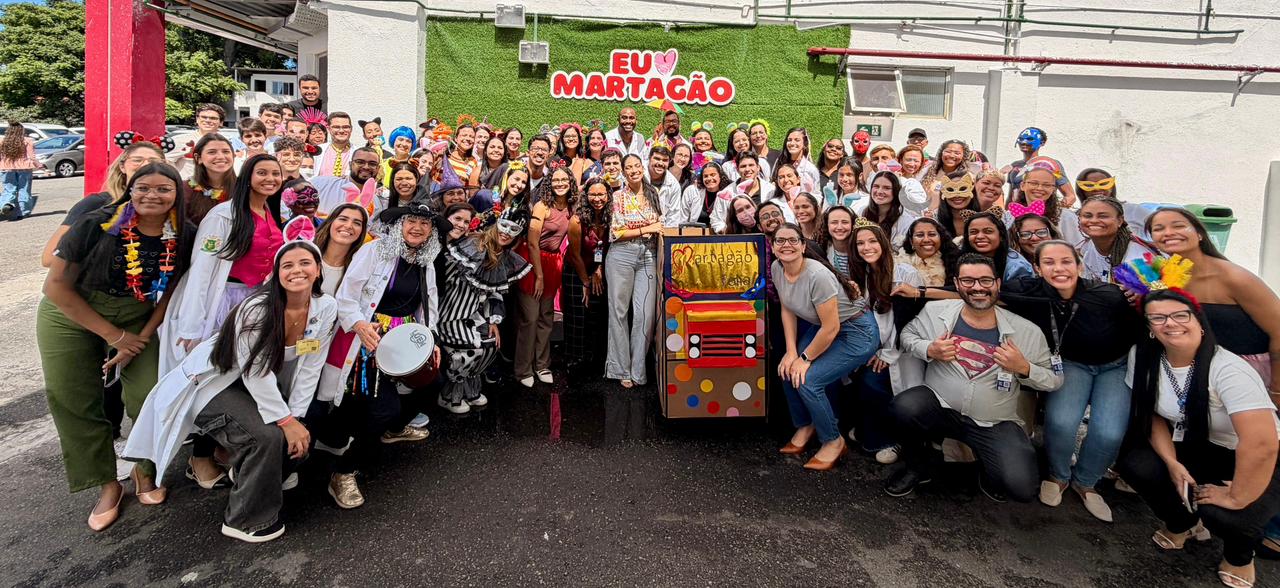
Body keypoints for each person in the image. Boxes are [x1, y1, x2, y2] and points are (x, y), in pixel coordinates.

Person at [124, 240, 335, 543]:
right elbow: (255, 371)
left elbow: (311, 366)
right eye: (287, 265)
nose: (297, 270)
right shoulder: (257, 309)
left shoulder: (326, 307)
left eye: (305, 263)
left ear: (317, 270)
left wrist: (297, 418)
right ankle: (244, 520)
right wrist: (286, 422)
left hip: (252, 386)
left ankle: (256, 476)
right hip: (212, 385)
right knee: (267, 435)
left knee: (304, 426)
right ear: (276, 274)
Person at [38, 162, 194, 531]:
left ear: (177, 194)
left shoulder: (184, 233)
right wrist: (115, 338)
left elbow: (170, 292)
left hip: (138, 317)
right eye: (144, 188)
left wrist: (139, 338)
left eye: (163, 189)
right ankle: (107, 484)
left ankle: (145, 470)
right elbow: (55, 286)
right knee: (73, 398)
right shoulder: (97, 223)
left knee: (150, 395)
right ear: (130, 188)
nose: (152, 196)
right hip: (72, 312)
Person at [1117, 289, 1280, 588]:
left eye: (1181, 315)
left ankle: (1240, 555)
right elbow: (1153, 415)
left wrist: (1238, 494)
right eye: (1158, 317)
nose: (1170, 323)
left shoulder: (1228, 369)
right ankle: (1184, 523)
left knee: (1227, 514)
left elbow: (1261, 445)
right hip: (1195, 444)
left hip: (1255, 454)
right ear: (1150, 328)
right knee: (1138, 464)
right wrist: (1170, 463)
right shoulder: (1142, 356)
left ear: (1199, 321)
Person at [886, 253, 1062, 501]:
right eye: (968, 281)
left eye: (985, 281)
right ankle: (917, 467)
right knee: (903, 407)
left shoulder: (1026, 331)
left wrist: (1024, 368)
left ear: (998, 284)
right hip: (941, 406)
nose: (977, 287)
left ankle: (987, 470)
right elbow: (908, 336)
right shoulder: (936, 311)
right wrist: (929, 349)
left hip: (994, 421)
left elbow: (1054, 380)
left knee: (1021, 487)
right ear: (957, 285)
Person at [1001, 240, 1142, 521]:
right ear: (1037, 269)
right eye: (1049, 263)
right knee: (1061, 422)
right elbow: (976, 291)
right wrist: (918, 291)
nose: (1059, 268)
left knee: (1109, 431)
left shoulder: (1110, 295)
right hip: (1070, 363)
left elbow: (1145, 321)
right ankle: (1058, 475)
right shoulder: (1028, 291)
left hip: (1114, 366)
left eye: (1066, 261)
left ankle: (1086, 481)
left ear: (1079, 266)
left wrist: (1141, 294)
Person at [323, 202, 440, 507]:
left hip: (404, 340)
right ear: (399, 225)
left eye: (425, 224)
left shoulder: (424, 260)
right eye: (411, 221)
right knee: (382, 407)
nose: (417, 227)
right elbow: (346, 296)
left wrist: (432, 340)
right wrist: (360, 324)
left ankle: (389, 431)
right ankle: (343, 472)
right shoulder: (374, 251)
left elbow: (428, 303)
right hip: (368, 340)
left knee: (432, 384)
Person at [160, 154, 285, 376]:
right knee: (209, 368)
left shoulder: (268, 212)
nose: (270, 179)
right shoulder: (223, 215)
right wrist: (192, 325)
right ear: (247, 177)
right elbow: (202, 269)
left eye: (276, 174)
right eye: (262, 173)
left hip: (254, 302)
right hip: (222, 301)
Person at [773, 223, 878, 470]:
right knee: (787, 369)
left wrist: (805, 358)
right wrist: (791, 352)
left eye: (792, 240)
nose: (786, 245)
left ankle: (833, 440)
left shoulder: (817, 275)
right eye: (780, 240)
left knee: (809, 380)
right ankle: (806, 423)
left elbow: (832, 328)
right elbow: (787, 307)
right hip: (822, 328)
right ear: (773, 245)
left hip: (855, 331)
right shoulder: (778, 267)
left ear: (802, 245)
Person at [1146, 208, 1280, 392]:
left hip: (1252, 376)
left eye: (1178, 226)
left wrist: (1277, 389)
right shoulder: (1162, 276)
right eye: (1159, 228)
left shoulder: (1234, 277)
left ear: (1200, 234)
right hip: (1201, 374)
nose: (1168, 233)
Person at [438, 211, 531, 412]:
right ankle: (449, 394)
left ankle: (469, 388)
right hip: (450, 313)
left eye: (514, 230)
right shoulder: (473, 245)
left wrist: (493, 320)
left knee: (490, 346)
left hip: (474, 313)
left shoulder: (504, 256)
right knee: (472, 349)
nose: (507, 233)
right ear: (496, 224)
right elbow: (440, 277)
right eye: (504, 226)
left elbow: (495, 292)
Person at [848, 222, 923, 464]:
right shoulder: (864, 275)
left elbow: (908, 320)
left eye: (872, 241)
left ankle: (892, 441)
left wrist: (887, 353)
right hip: (875, 348)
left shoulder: (904, 274)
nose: (866, 247)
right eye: (860, 243)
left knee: (874, 383)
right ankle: (871, 433)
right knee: (859, 383)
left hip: (901, 351)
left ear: (882, 242)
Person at [42, 138, 166, 268]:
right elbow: (50, 258)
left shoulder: (170, 207)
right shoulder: (96, 204)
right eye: (137, 160)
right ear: (122, 166)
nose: (145, 165)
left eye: (153, 161)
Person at [605, 154, 663, 388]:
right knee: (619, 312)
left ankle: (638, 369)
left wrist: (649, 230)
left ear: (643, 167)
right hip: (622, 254)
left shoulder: (653, 194)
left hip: (649, 255)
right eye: (628, 167)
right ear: (623, 171)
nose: (633, 170)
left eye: (636, 166)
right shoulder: (617, 196)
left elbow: (661, 225)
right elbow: (616, 232)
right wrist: (646, 228)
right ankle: (620, 369)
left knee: (645, 314)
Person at [514, 166, 574, 387]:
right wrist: (538, 274)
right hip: (533, 260)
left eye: (564, 180)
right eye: (556, 180)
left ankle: (542, 365)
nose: (560, 184)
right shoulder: (542, 206)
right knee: (530, 317)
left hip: (553, 263)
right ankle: (523, 369)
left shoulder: (570, 207)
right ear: (550, 183)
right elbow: (531, 241)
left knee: (546, 316)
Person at [563, 177, 611, 374]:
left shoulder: (611, 217)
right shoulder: (576, 220)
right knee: (578, 314)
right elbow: (574, 254)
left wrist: (599, 269)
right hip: (576, 270)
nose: (597, 198)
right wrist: (585, 281)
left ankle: (596, 358)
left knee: (598, 315)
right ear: (586, 196)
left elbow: (607, 247)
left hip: (599, 269)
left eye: (601, 194)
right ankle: (575, 360)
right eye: (593, 194)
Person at [1075, 197, 1159, 283]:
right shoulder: (1090, 247)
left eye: (1103, 216)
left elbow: (1156, 290)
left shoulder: (1139, 260)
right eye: (1087, 216)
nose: (1094, 220)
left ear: (1119, 221)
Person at [1004, 127, 1075, 207]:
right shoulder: (1015, 165)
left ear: (1042, 143)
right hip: (1017, 215)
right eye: (1021, 139)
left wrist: (1054, 214)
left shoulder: (1050, 164)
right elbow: (1011, 197)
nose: (1024, 142)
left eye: (1030, 139)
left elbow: (1070, 196)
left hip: (1043, 216)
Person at [958, 212, 1033, 281]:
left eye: (988, 231)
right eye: (973, 232)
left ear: (1001, 236)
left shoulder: (1017, 267)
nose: (980, 236)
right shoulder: (959, 259)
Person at [1075, 168, 1150, 237]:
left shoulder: (1133, 210)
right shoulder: (1074, 217)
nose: (1097, 189)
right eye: (1089, 185)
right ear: (1081, 191)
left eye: (1104, 184)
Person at [314, 203, 369, 297]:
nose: (348, 226)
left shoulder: (361, 268)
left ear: (362, 231)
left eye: (357, 223)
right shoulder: (306, 254)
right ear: (330, 222)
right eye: (343, 219)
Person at [183, 133, 238, 225]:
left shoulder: (245, 187)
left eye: (226, 151)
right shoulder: (185, 189)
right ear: (198, 158)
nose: (220, 157)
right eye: (212, 152)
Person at [312, 146, 382, 215]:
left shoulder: (376, 203)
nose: (366, 167)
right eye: (360, 162)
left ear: (378, 168)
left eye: (372, 164)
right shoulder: (322, 184)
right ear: (350, 164)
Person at [861, 171, 919, 252]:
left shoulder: (906, 222)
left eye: (886, 188)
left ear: (896, 191)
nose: (880, 191)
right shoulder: (862, 213)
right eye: (876, 186)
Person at [895, 217, 959, 289]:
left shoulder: (953, 259)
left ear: (941, 238)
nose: (926, 240)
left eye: (932, 234)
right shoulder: (899, 263)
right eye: (920, 235)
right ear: (911, 241)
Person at [170, 104, 227, 179]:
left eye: (213, 118)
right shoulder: (179, 140)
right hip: (188, 188)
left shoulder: (227, 142)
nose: (208, 120)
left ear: (221, 122)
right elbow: (167, 162)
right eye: (204, 117)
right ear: (197, 119)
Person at [0, 122, 41, 220]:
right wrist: (39, 165)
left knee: (9, 189)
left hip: (6, 168)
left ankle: (6, 204)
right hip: (24, 168)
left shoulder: (2, 141)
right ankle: (22, 212)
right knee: (24, 189)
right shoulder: (27, 140)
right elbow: (31, 157)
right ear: (21, 131)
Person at [645, 145, 682, 225]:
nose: (660, 163)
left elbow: (674, 215)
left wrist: (668, 235)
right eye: (657, 159)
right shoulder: (639, 175)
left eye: (665, 160)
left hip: (662, 228)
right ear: (649, 158)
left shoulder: (674, 185)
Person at [314, 112, 354, 178]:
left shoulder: (358, 153)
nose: (341, 131)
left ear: (351, 129)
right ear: (329, 129)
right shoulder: (317, 151)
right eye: (336, 127)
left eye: (345, 127)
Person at [819, 205, 856, 276]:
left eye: (845, 222)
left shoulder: (861, 249)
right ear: (827, 225)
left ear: (852, 224)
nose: (839, 227)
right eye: (834, 222)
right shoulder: (821, 250)